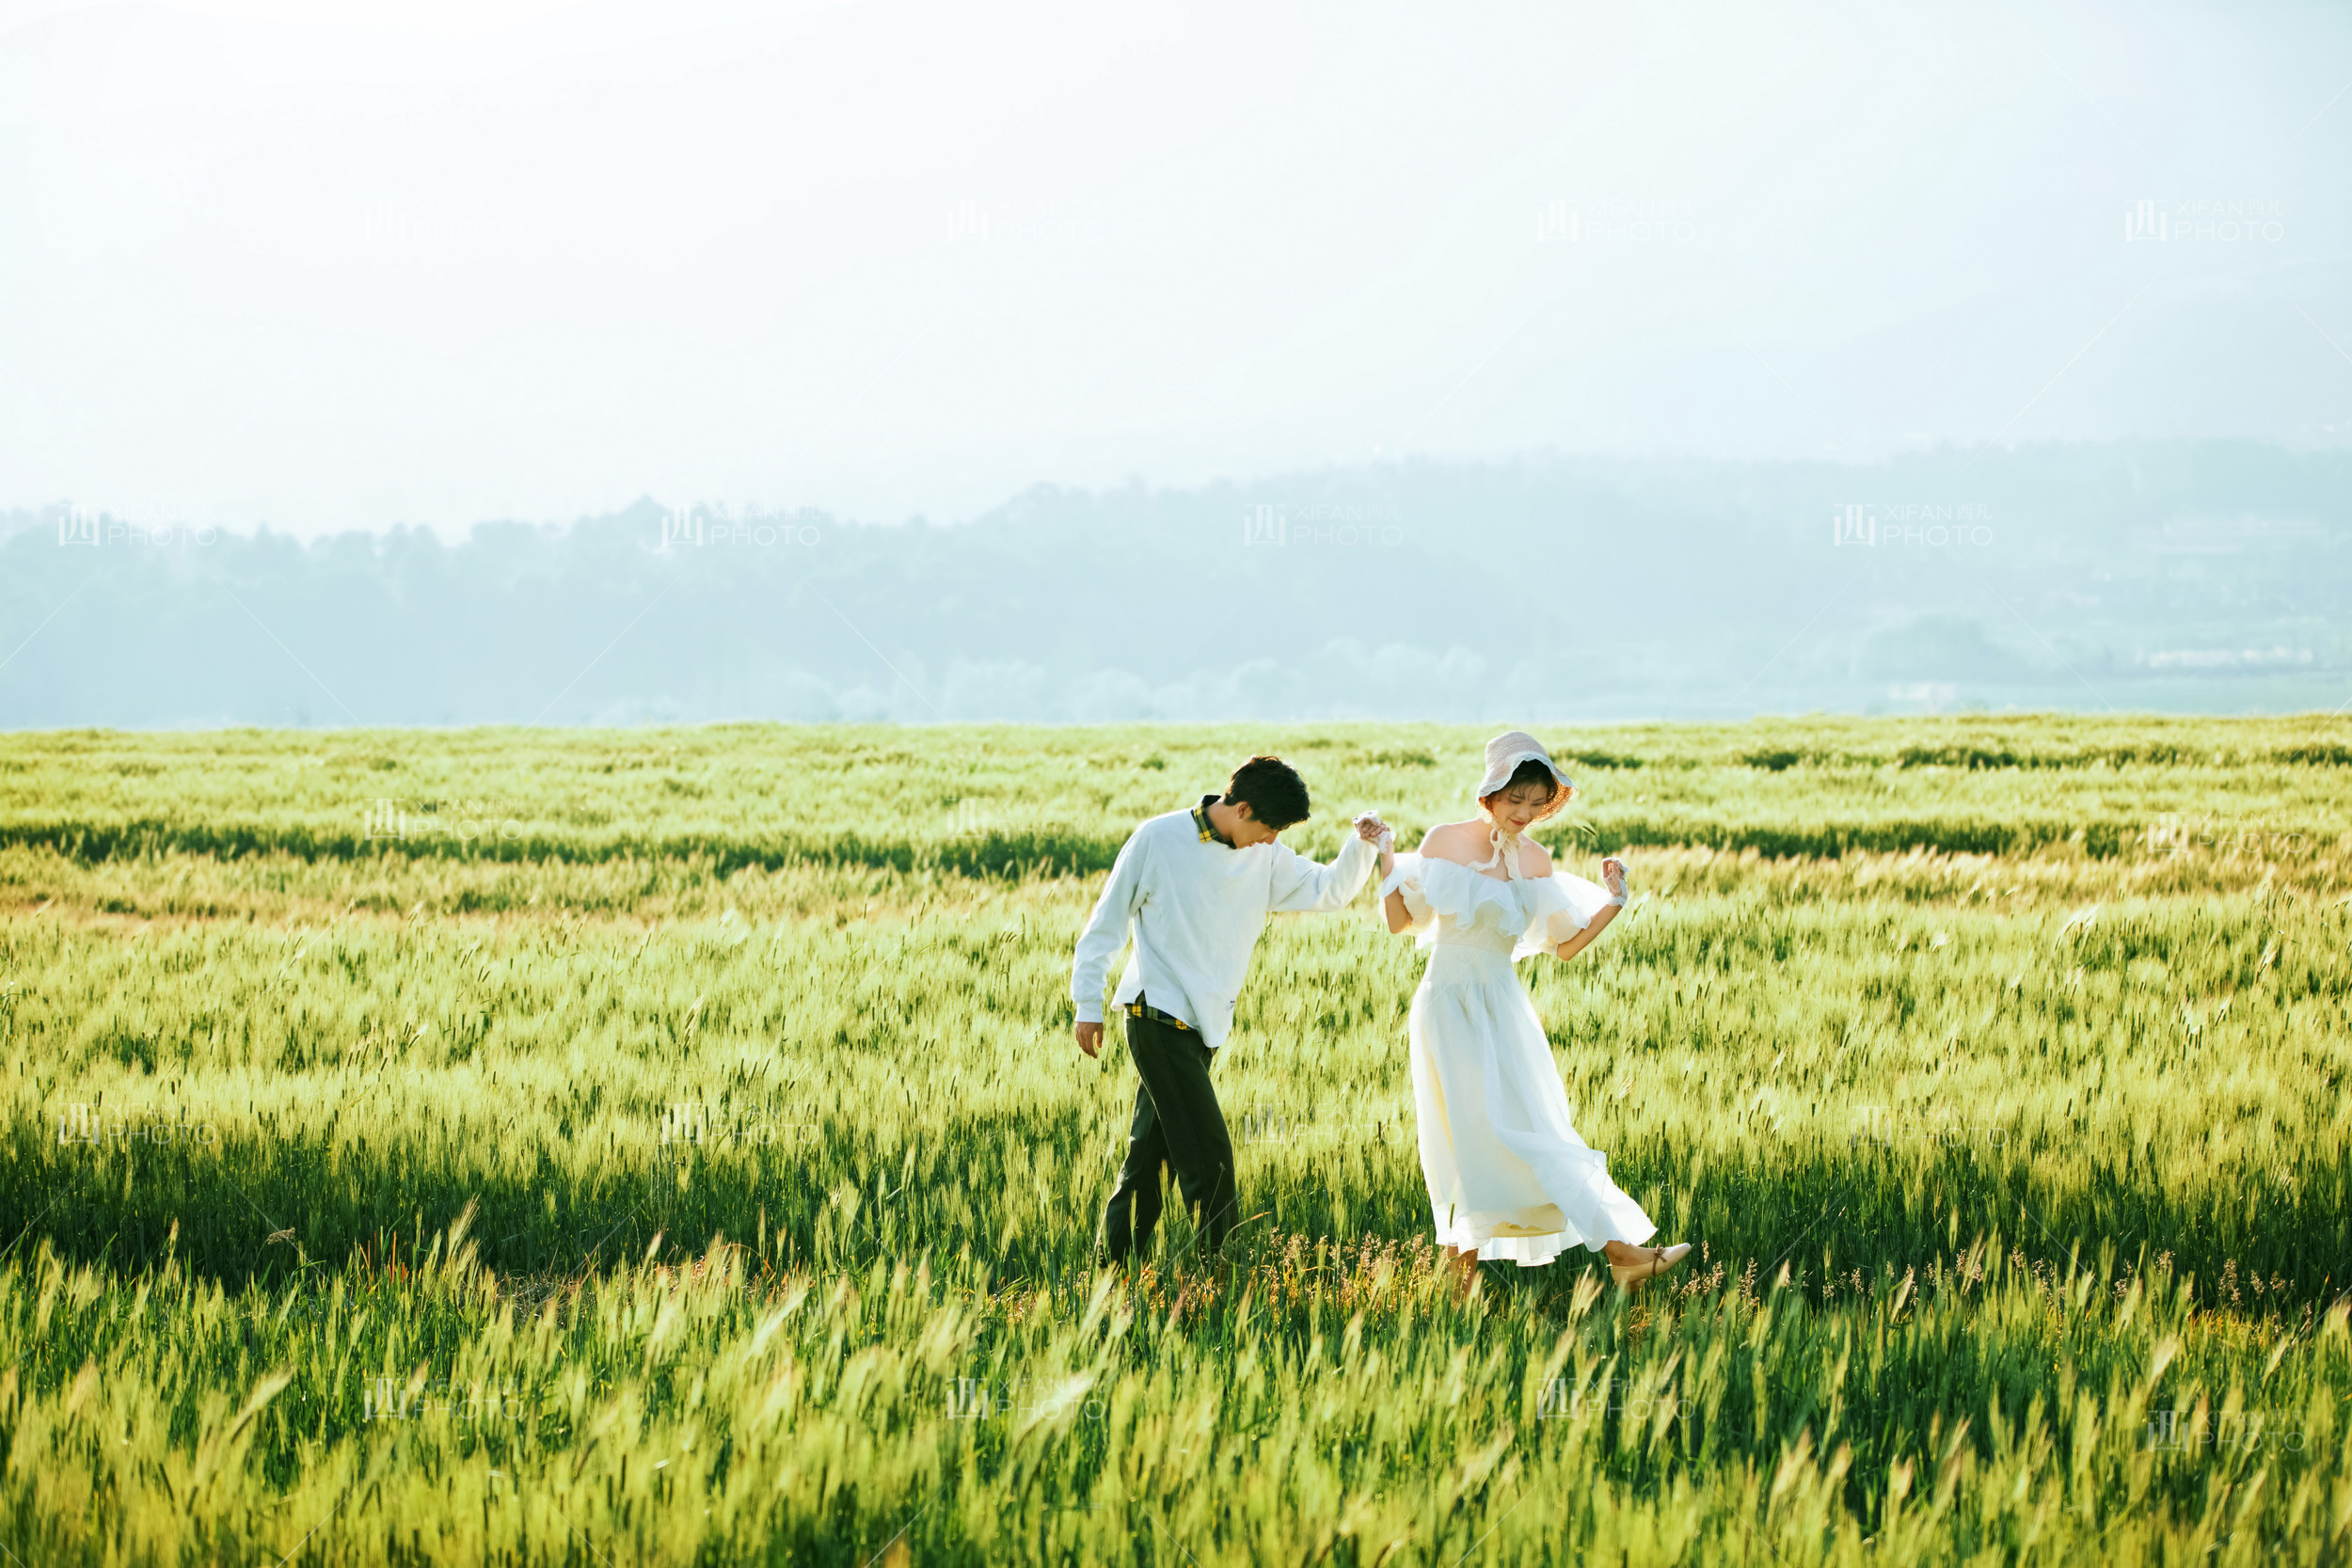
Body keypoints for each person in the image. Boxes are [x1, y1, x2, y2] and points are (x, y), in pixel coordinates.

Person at [1374, 731, 1691, 1293]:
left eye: (1536, 802)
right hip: (1448, 1003)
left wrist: (1614, 902)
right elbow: (1403, 922)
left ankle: (1619, 1256)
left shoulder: (1537, 860)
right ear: (1490, 793)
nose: (1524, 812)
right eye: (1514, 798)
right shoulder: (1445, 841)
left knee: (1537, 1129)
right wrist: (1386, 861)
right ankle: (1614, 1256)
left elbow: (1564, 945)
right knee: (1467, 1136)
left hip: (1504, 1007)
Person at [1073, 754, 1390, 1266]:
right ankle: (1216, 1269)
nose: (1272, 840)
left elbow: (1325, 890)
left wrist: (1363, 845)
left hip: (1203, 1027)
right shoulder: (1158, 839)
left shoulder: (1264, 855)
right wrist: (1088, 1003)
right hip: (1156, 1017)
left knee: (1147, 1159)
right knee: (1209, 1159)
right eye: (1269, 828)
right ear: (1241, 809)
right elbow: (1105, 922)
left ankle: (1114, 1271)